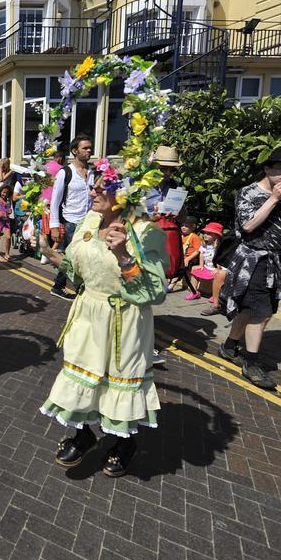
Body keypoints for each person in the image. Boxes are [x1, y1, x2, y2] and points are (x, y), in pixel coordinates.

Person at [38, 163, 167, 477]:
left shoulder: (145, 231)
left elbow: (156, 291)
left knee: (121, 382)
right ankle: (83, 435)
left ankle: (125, 443)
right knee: (85, 377)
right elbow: (78, 269)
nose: (92, 190)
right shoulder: (90, 218)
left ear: (124, 195)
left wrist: (124, 256)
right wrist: (51, 255)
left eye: (101, 187)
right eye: (93, 185)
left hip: (125, 319)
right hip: (87, 314)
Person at [218, 146, 281, 391]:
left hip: (277, 261)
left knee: (249, 310)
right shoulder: (247, 192)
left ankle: (228, 347)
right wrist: (274, 198)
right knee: (262, 313)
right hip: (252, 261)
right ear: (267, 169)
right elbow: (248, 225)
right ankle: (251, 363)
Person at [48, 136, 95, 299]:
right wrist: (54, 225)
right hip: (71, 222)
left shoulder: (93, 172)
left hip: (90, 222)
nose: (89, 150)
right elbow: (55, 201)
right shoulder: (65, 172)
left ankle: (68, 286)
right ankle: (62, 286)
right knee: (72, 257)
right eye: (85, 148)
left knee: (85, 256)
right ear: (75, 151)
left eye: (90, 148)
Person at [144, 146, 186, 283]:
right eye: (164, 168)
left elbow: (183, 218)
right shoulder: (142, 184)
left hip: (165, 239)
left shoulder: (175, 185)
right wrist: (150, 216)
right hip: (144, 239)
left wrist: (178, 213)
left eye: (172, 169)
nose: (168, 173)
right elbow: (128, 214)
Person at [187, 222, 224, 301]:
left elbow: (221, 259)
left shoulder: (219, 246)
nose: (205, 235)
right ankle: (194, 292)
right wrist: (201, 265)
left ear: (216, 235)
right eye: (205, 233)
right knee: (194, 269)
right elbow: (201, 255)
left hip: (216, 269)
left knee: (217, 277)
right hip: (207, 267)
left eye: (209, 233)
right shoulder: (205, 244)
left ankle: (216, 295)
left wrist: (218, 269)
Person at [169, 216, 201, 293]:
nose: (183, 227)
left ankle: (171, 286)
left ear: (193, 228)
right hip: (181, 258)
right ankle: (169, 282)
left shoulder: (195, 237)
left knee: (180, 269)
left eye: (186, 226)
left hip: (190, 259)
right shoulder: (180, 236)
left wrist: (188, 258)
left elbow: (197, 251)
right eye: (182, 225)